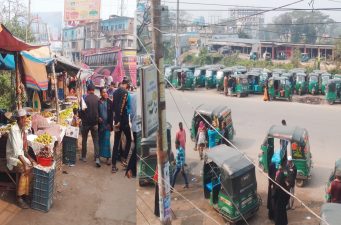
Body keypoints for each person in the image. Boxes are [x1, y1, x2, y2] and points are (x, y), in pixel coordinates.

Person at [6, 109, 36, 209]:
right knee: (25, 169)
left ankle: (25, 193)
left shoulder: (22, 129)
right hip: (13, 157)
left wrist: (30, 159)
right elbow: (16, 151)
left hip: (20, 155)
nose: (25, 120)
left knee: (32, 166)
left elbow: (24, 149)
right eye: (23, 118)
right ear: (19, 119)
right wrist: (25, 164)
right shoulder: (14, 129)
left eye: (26, 118)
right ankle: (19, 197)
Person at [112, 79, 132, 173]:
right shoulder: (125, 93)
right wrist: (120, 120)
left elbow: (114, 107)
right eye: (128, 85)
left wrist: (116, 119)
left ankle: (113, 165)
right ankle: (124, 157)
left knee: (116, 142)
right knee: (129, 138)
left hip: (116, 120)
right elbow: (121, 106)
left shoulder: (115, 92)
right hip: (123, 121)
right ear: (126, 84)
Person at [80, 84, 101, 167]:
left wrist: (81, 118)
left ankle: (84, 157)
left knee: (84, 140)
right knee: (96, 140)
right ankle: (97, 158)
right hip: (95, 123)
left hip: (85, 123)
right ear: (93, 90)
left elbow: (81, 111)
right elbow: (99, 111)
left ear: (88, 90)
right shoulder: (97, 99)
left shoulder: (84, 98)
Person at [98, 88, 113, 165]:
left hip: (107, 125)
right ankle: (99, 156)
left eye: (106, 92)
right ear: (100, 93)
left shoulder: (110, 102)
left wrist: (111, 125)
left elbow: (112, 115)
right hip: (100, 125)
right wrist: (98, 117)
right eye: (103, 92)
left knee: (107, 141)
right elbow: (96, 112)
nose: (105, 93)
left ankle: (108, 158)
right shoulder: (99, 102)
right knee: (100, 140)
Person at [126, 91, 139, 178]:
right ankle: (129, 169)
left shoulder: (132, 98)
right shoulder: (137, 98)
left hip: (134, 127)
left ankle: (132, 170)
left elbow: (130, 114)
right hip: (138, 128)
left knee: (135, 149)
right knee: (136, 150)